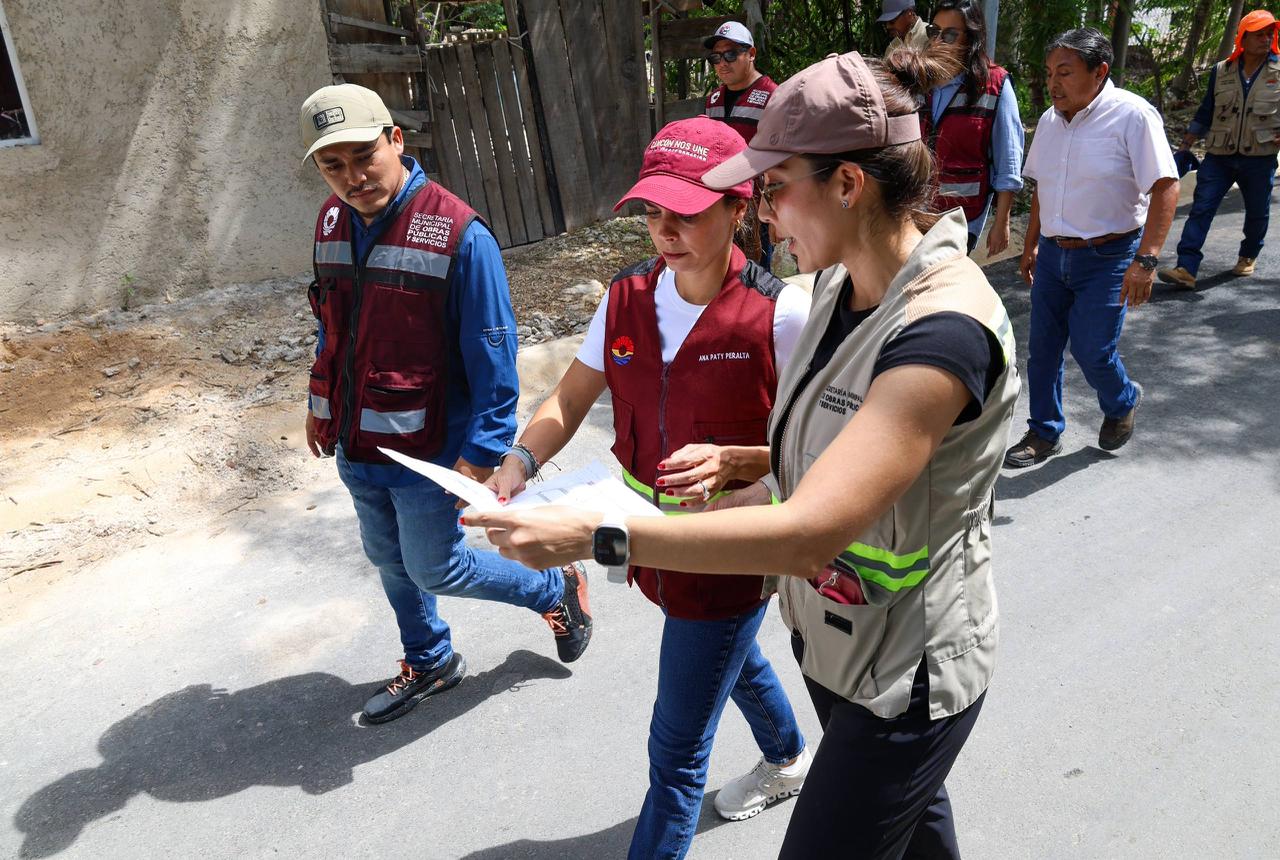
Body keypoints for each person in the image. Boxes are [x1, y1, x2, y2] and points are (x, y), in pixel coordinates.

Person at [468, 47, 1021, 859]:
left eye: (775, 187)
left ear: (848, 184)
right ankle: (786, 750)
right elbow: (835, 444)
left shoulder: (941, 333)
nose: (765, 214)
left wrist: (597, 536)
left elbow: (810, 532)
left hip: (908, 670)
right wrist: (748, 458)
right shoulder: (837, 288)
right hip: (838, 639)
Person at [483, 115, 812, 860]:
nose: (665, 230)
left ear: (739, 208)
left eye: (687, 212)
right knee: (727, 656)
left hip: (728, 553)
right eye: (654, 211)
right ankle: (788, 756)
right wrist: (521, 461)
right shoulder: (626, 296)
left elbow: (825, 448)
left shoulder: (781, 314)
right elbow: (571, 398)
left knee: (676, 751)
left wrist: (748, 465)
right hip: (645, 542)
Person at [298, 84, 591, 724]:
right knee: (388, 558)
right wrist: (321, 404)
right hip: (358, 444)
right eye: (333, 165)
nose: (353, 178)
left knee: (434, 567)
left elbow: (494, 362)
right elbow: (332, 328)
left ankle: (554, 586)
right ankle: (429, 659)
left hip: (430, 452)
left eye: (364, 156)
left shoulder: (459, 233)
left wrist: (483, 454)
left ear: (396, 140)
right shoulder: (330, 222)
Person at [1004, 28, 1179, 468]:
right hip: (1053, 253)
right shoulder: (1050, 121)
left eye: (1064, 72)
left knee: (1091, 349)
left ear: (1099, 72)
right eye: (1049, 73)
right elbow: (1043, 186)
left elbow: (1165, 186)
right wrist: (1031, 244)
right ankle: (1044, 431)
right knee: (1042, 350)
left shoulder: (1133, 116)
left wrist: (1147, 260)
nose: (1053, 83)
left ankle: (1122, 400)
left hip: (1109, 257)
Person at [1159, 10, 1280, 289]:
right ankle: (1186, 267)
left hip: (1259, 157)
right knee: (1201, 208)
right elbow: (1206, 111)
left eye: (1269, 34)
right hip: (1219, 156)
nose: (1266, 39)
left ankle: (1248, 254)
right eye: (1259, 34)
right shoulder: (1221, 70)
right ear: (1243, 38)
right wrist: (1186, 144)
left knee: (1257, 212)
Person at [924, 0, 1025, 256]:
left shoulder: (994, 85)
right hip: (916, 211)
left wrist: (1001, 221)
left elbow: (1008, 161)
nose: (938, 41)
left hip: (962, 217)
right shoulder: (919, 79)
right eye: (934, 32)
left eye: (950, 35)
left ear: (971, 39)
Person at [703, 20, 778, 270]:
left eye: (731, 54)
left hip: (756, 207)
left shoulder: (773, 96)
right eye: (716, 57)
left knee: (755, 272)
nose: (722, 63)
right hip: (720, 203)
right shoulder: (713, 99)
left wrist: (773, 207)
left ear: (751, 54)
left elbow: (781, 158)